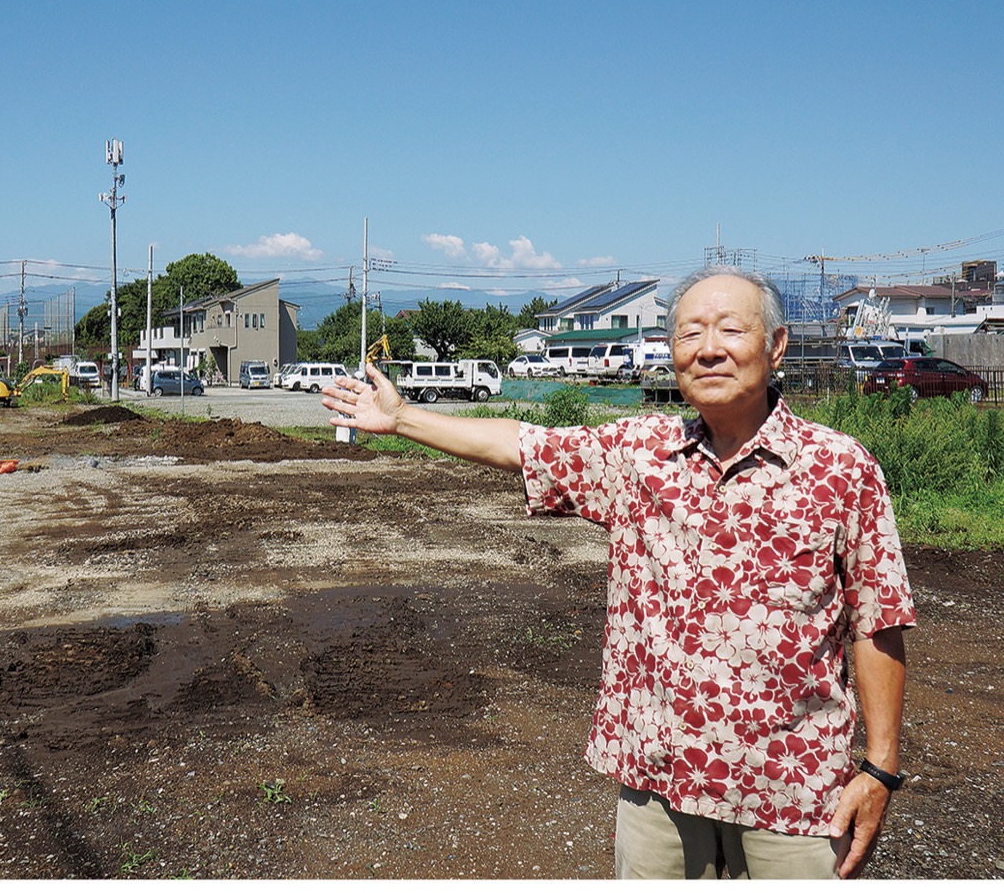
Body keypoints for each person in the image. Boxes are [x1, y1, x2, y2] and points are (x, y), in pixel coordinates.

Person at [322, 267, 914, 880]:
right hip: (659, 782)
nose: (709, 349)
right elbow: (520, 444)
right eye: (690, 333)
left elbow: (879, 620)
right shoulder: (639, 455)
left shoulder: (840, 469)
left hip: (792, 789)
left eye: (731, 330)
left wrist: (879, 769)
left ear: (776, 346)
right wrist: (402, 418)